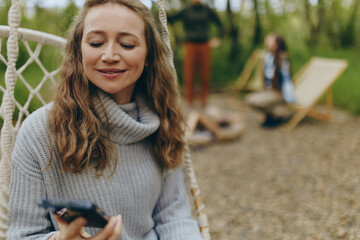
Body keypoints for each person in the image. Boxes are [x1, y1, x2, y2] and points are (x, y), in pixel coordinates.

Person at [7, 0, 203, 239]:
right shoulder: (40, 132)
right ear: (79, 51)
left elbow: (174, 215)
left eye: (127, 44)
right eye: (96, 43)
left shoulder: (163, 122)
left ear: (149, 55)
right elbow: (22, 234)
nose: (109, 55)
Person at [167, 0, 224, 107]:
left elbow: (219, 23)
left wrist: (218, 38)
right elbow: (170, 18)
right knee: (189, 72)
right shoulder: (186, 10)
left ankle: (204, 98)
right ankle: (189, 99)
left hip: (204, 45)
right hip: (190, 45)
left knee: (205, 72)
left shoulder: (207, 10)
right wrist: (163, 7)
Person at [245, 33, 296, 128]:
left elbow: (287, 80)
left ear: (276, 45)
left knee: (256, 101)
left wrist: (290, 97)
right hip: (269, 91)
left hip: (278, 92)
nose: (267, 41)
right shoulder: (268, 57)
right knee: (250, 99)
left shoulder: (282, 59)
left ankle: (277, 115)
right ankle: (271, 115)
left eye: (270, 40)